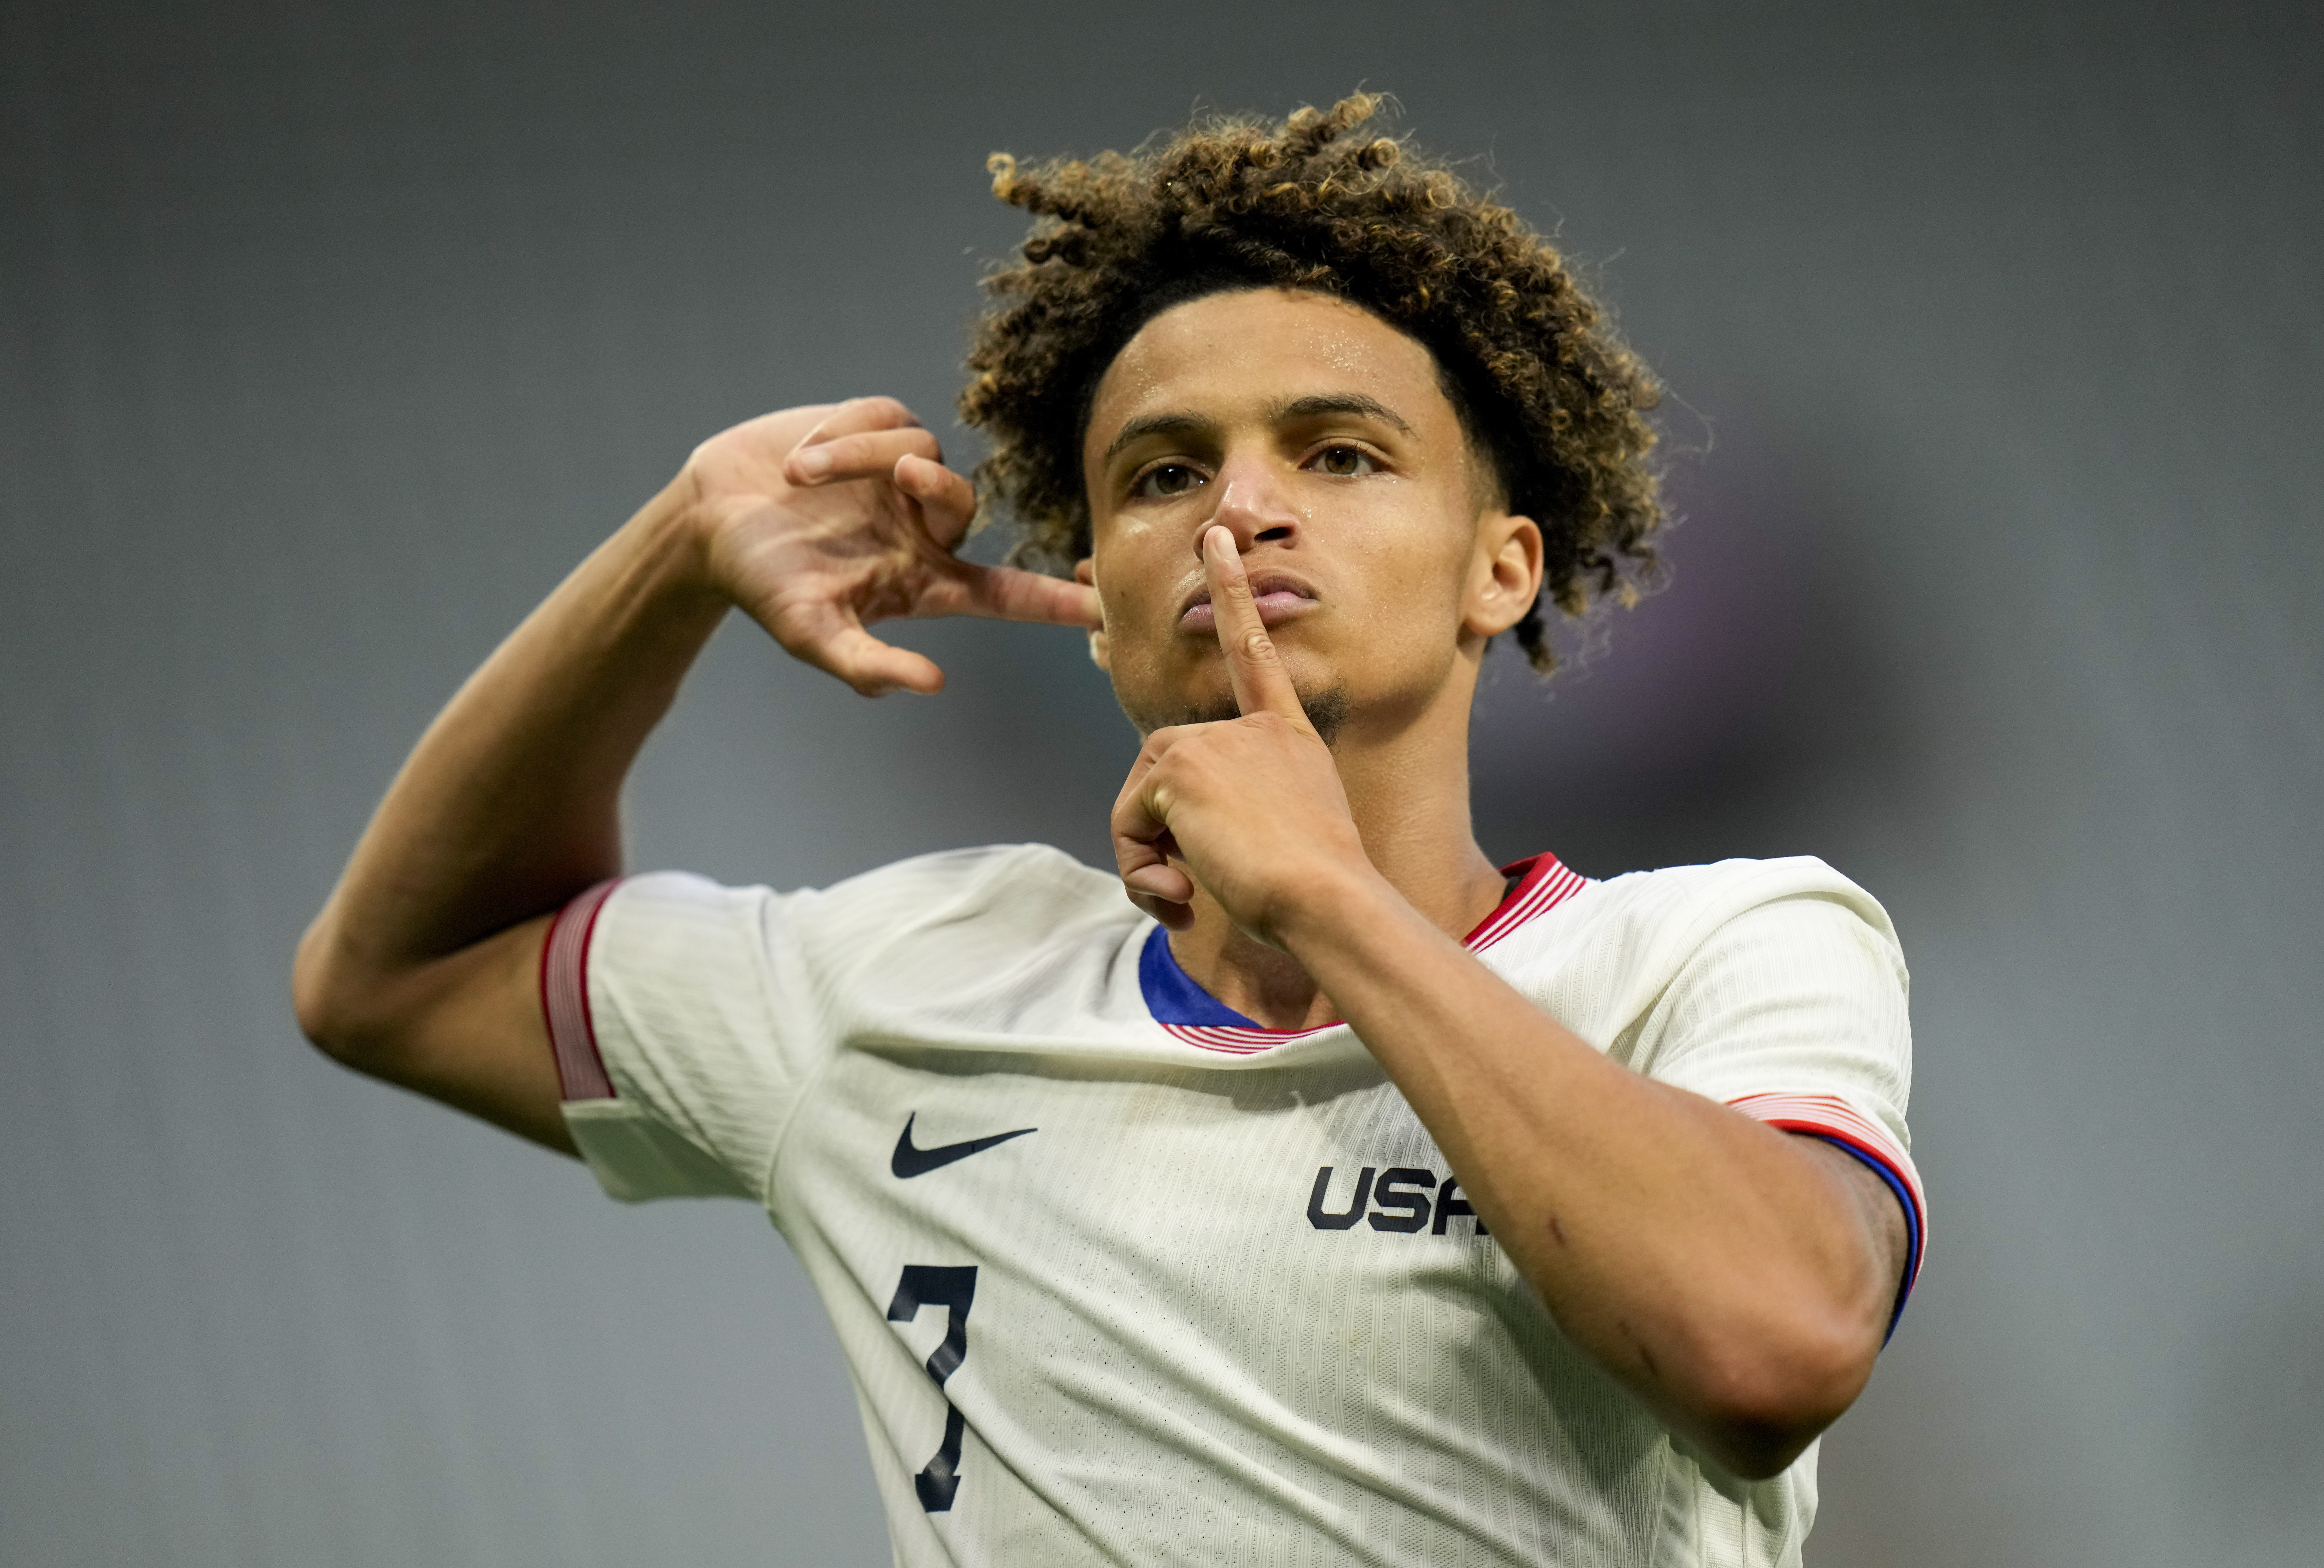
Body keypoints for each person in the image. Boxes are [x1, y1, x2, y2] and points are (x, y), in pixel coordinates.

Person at [293, 94, 1920, 1566]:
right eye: (1162, 475)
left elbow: (1772, 1350)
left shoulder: (1724, 948)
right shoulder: (914, 978)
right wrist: (674, 554)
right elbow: (397, 979)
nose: (1240, 509)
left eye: (1341, 453)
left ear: (1500, 567)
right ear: (1102, 611)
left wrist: (1328, 898)